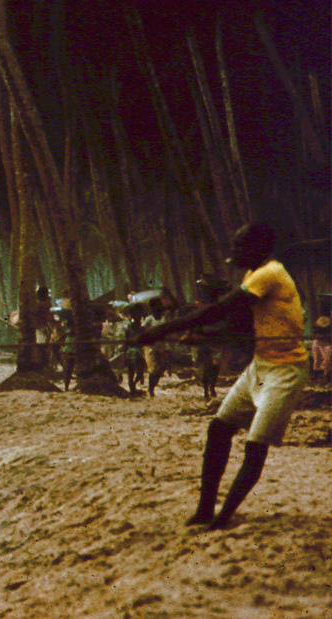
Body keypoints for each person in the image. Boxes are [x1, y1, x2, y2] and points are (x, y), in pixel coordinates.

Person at [138, 222, 309, 530]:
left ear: (259, 248)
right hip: (261, 365)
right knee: (218, 429)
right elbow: (235, 326)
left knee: (255, 445)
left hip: (286, 370)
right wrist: (193, 337)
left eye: (239, 245)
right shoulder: (252, 276)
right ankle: (205, 510)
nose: (233, 251)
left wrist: (161, 330)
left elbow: (217, 311)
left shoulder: (268, 274)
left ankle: (224, 516)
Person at [123, 309, 146, 397]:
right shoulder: (141, 328)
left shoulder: (129, 327)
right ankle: (133, 386)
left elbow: (126, 341)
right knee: (139, 372)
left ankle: (132, 387)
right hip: (137, 350)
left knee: (131, 372)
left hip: (132, 350)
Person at [311, 316, 331, 383]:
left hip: (327, 343)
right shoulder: (316, 328)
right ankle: (317, 375)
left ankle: (327, 376)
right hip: (318, 341)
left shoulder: (329, 328)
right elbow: (314, 333)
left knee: (327, 360)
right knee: (317, 360)